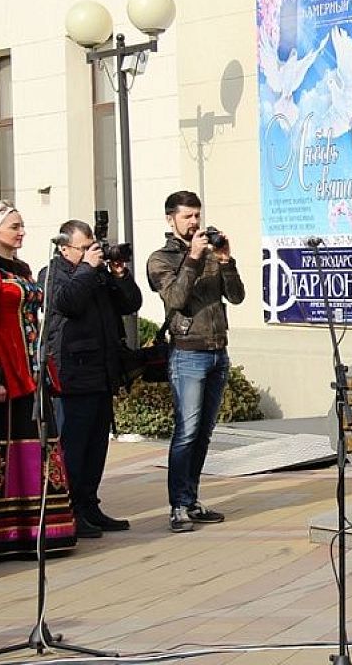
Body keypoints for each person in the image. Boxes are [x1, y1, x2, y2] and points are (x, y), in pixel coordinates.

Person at [146, 191, 245, 533]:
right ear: (170, 219)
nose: (194, 223)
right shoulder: (161, 259)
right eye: (187, 217)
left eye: (197, 216)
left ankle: (191, 499)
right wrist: (193, 258)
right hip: (187, 353)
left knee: (203, 433)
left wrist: (226, 260)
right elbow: (176, 298)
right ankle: (177, 506)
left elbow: (236, 296)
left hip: (218, 351)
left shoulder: (211, 253)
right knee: (186, 432)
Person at [43, 219, 142, 538]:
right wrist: (87, 268)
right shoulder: (52, 273)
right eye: (84, 248)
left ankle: (90, 505)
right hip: (73, 374)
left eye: (92, 247)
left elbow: (131, 303)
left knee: (97, 446)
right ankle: (69, 511)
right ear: (64, 247)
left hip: (101, 372)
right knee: (74, 446)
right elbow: (67, 303)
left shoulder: (98, 273)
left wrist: (118, 273)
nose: (91, 253)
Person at [0, 201, 77, 556]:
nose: (22, 231)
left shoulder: (23, 269)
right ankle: (3, 534)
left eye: (23, 225)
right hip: (5, 371)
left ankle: (38, 529)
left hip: (33, 368)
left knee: (38, 443)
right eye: (15, 226)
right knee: (4, 445)